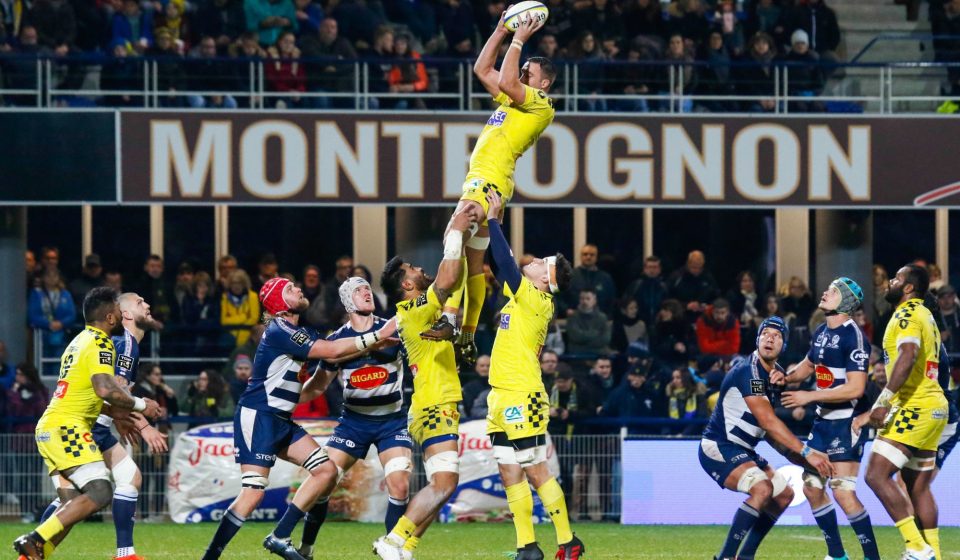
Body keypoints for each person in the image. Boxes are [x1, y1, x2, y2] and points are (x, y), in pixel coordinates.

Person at [201, 277, 396, 560]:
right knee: (253, 493)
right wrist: (380, 333)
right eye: (291, 289)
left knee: (327, 472)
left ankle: (282, 537)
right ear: (279, 303)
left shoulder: (295, 330)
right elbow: (331, 351)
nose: (299, 290)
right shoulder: (280, 329)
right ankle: (210, 557)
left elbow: (322, 368)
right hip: (259, 417)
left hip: (280, 420)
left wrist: (367, 347)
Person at [423, 12, 556, 372]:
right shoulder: (511, 102)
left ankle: (449, 314)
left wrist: (518, 41)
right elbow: (483, 70)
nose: (522, 72)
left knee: (454, 231)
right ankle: (467, 331)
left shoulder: (540, 105)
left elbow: (511, 81)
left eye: (530, 72)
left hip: (488, 181)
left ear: (543, 83)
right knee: (474, 262)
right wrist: (500, 31)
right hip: (487, 181)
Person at [14, 287, 162, 560]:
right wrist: (142, 407)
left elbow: (93, 393)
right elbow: (107, 389)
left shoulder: (78, 341)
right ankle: (35, 538)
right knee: (100, 491)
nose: (120, 315)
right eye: (118, 311)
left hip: (54, 426)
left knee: (72, 505)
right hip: (69, 427)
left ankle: (31, 554)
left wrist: (121, 415)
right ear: (110, 317)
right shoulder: (103, 343)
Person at [476, 192, 581, 560]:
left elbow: (504, 262)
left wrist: (494, 220)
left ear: (544, 280)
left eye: (541, 262)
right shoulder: (522, 297)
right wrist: (485, 226)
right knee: (509, 472)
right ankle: (528, 547)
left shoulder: (537, 300)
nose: (533, 261)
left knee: (535, 470)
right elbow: (494, 259)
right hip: (501, 394)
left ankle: (568, 541)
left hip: (524, 394)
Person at [371, 211, 472, 560]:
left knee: (443, 486)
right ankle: (393, 540)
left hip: (432, 404)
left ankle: (406, 546)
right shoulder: (412, 310)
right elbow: (446, 280)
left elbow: (454, 285)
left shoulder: (419, 313)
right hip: (433, 404)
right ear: (407, 284)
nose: (420, 269)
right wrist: (456, 233)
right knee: (443, 485)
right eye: (414, 268)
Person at [293, 277, 411, 560]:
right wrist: (287, 399)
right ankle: (306, 549)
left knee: (401, 484)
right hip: (353, 424)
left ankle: (393, 549)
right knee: (324, 481)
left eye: (368, 289)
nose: (366, 292)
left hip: (392, 422)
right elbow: (318, 386)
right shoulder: (336, 342)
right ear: (348, 301)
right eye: (358, 290)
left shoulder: (393, 329)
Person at [699, 316, 834, 560]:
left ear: (784, 345)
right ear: (757, 339)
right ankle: (726, 557)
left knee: (783, 496)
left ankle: (746, 556)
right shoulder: (747, 371)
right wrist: (806, 453)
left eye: (777, 335)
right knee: (762, 488)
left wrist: (802, 459)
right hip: (719, 446)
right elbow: (768, 421)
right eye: (765, 334)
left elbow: (771, 435)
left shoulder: (776, 376)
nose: (769, 338)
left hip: (744, 450)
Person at [770, 277, 879, 560]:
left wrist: (809, 396)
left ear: (844, 301)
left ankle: (872, 557)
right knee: (811, 487)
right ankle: (837, 555)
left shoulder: (853, 336)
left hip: (846, 423)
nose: (824, 292)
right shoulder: (820, 331)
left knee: (842, 492)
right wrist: (787, 378)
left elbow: (855, 388)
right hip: (822, 424)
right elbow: (807, 366)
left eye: (831, 291)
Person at [856, 264, 948, 560]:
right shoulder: (927, 315)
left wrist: (883, 401)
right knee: (917, 487)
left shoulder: (907, 313)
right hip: (934, 406)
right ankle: (933, 552)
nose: (890, 283)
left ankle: (917, 548)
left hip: (914, 406)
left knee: (876, 475)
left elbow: (907, 357)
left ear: (908, 287)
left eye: (896, 278)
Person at [28, 270, 77, 375]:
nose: (51, 279)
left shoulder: (65, 294)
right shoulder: (36, 293)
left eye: (54, 276)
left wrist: (61, 323)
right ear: (43, 278)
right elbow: (32, 315)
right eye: (48, 276)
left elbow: (71, 315)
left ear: (58, 278)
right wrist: (48, 324)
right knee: (44, 366)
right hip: (42, 335)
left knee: (59, 361)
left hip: (60, 335)